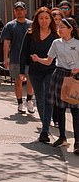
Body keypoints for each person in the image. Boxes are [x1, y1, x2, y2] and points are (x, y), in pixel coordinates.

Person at [33, 17, 79, 153]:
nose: (60, 29)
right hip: (59, 74)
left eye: (63, 27)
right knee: (60, 108)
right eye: (59, 27)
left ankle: (77, 142)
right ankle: (62, 137)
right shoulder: (56, 43)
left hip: (75, 76)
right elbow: (49, 61)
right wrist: (37, 59)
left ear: (71, 29)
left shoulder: (77, 43)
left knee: (76, 110)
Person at [20, 7, 58, 143]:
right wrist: (21, 71)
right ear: (37, 19)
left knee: (48, 98)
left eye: (47, 18)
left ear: (51, 20)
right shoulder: (30, 33)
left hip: (51, 70)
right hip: (35, 71)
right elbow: (23, 52)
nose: (44, 21)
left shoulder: (55, 35)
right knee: (40, 99)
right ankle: (45, 125)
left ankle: (45, 131)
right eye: (41, 18)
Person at [1, 1, 34, 114]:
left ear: (25, 11)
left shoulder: (32, 24)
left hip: (30, 58)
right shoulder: (10, 25)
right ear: (14, 12)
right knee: (18, 80)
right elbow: (6, 43)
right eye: (17, 10)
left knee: (31, 79)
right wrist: (6, 58)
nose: (19, 12)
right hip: (15, 57)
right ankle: (20, 103)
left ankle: (29, 100)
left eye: (21, 9)